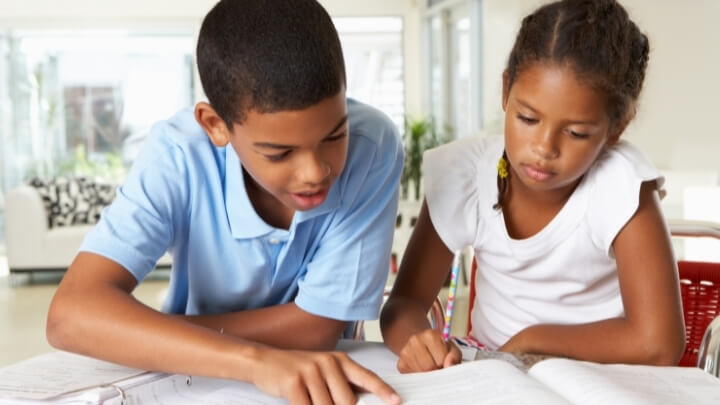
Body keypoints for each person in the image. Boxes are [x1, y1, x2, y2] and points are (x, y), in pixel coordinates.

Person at [46, 1, 403, 404]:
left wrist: (155, 334)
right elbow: (70, 315)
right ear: (215, 125)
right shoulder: (178, 155)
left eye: (334, 136)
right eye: (279, 153)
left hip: (310, 376)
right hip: (194, 385)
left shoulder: (373, 145)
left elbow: (317, 327)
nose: (314, 172)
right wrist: (255, 361)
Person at [380, 0, 685, 374]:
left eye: (575, 133)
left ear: (617, 127)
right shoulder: (465, 174)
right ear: (506, 90)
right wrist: (419, 342)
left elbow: (660, 343)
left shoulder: (620, 186)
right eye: (527, 118)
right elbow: (404, 304)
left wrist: (534, 339)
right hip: (493, 380)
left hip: (598, 381)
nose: (543, 149)